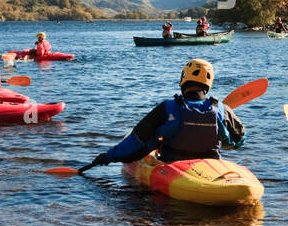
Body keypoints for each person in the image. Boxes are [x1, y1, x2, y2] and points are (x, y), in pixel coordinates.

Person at [92, 59, 246, 166]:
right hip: (210, 165)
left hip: (173, 165)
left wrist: (107, 157)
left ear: (183, 78)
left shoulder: (168, 107)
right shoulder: (221, 109)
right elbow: (240, 140)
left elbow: (136, 141)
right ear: (208, 83)